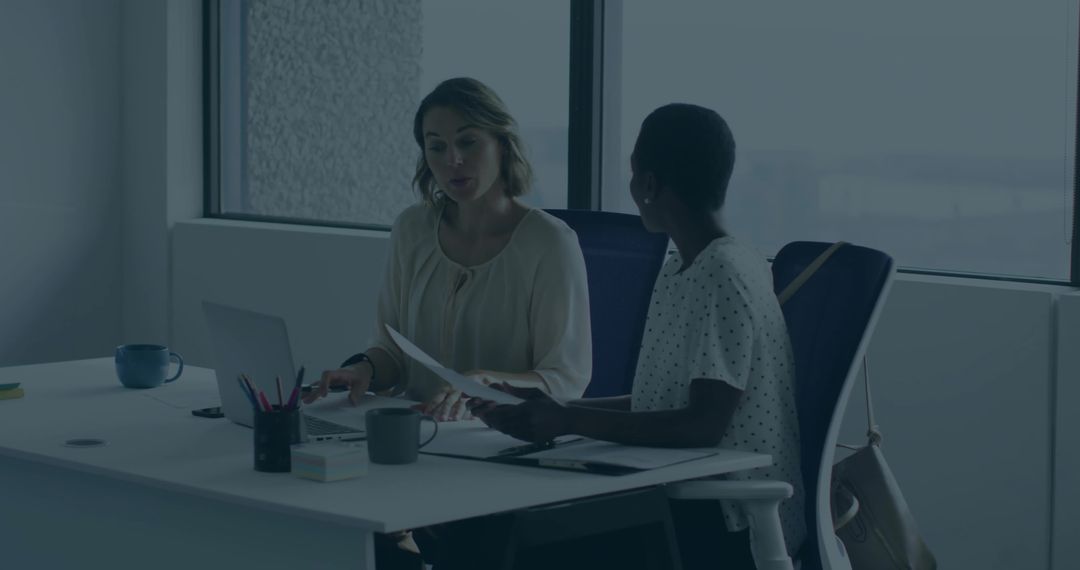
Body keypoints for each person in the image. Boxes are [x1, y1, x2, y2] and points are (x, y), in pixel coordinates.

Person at [471, 103, 806, 570]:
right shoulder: (683, 267)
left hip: (724, 512)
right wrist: (546, 408)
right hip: (679, 490)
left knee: (518, 539)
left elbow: (701, 425)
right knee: (505, 525)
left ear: (647, 184)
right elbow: (657, 403)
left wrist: (566, 422)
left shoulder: (724, 271)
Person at [303, 77, 592, 568]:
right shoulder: (411, 229)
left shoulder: (549, 243)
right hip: (410, 451)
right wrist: (363, 371)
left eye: (467, 142)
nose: (452, 161)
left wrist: (485, 383)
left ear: (502, 143)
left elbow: (566, 379)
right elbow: (391, 349)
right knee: (316, 521)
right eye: (436, 147)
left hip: (493, 458)